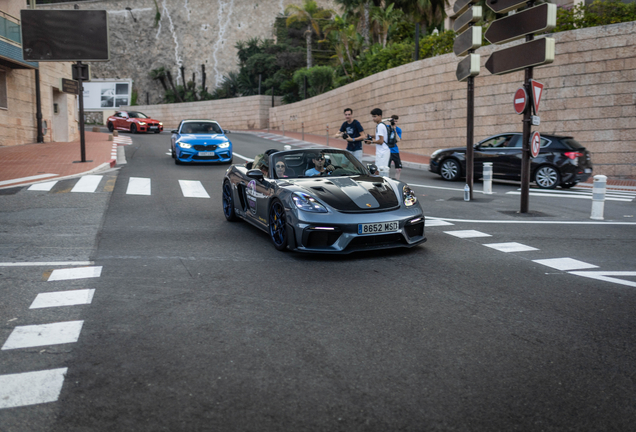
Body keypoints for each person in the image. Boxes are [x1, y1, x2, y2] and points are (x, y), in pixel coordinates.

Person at [364, 108, 390, 174]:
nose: (373, 118)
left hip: (382, 152)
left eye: (375, 116)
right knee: (378, 171)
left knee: (382, 172)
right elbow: (380, 137)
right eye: (373, 116)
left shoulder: (380, 126)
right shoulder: (381, 125)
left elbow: (381, 141)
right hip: (382, 151)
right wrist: (371, 136)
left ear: (380, 116)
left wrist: (371, 142)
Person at [389, 114, 403, 180]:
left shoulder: (398, 130)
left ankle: (396, 181)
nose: (394, 122)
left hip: (395, 150)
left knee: (398, 169)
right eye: (393, 121)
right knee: (386, 168)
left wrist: (394, 130)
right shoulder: (386, 127)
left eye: (396, 121)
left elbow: (398, 140)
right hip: (387, 150)